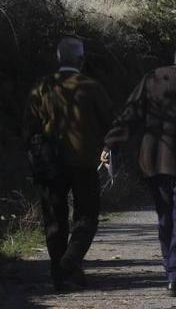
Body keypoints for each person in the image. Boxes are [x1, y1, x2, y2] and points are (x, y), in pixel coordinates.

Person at [103, 41, 176, 297]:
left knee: (165, 216)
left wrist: (112, 143)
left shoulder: (154, 78)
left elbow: (131, 114)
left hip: (156, 160)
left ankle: (172, 269)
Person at [24, 37, 114, 291]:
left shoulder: (42, 87)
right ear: (81, 60)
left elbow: (29, 127)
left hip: (48, 163)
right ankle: (69, 264)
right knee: (87, 216)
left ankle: (60, 272)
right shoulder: (91, 87)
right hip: (83, 162)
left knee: (54, 217)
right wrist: (106, 147)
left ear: (59, 58)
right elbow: (109, 121)